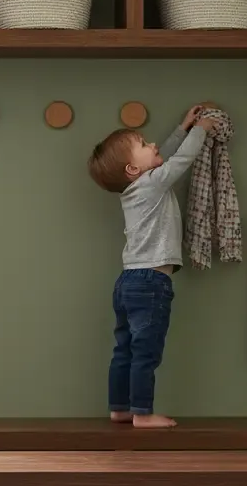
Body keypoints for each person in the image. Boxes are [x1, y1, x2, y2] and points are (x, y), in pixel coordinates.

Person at [87, 105, 214, 429]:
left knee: (125, 350)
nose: (153, 144)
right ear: (133, 168)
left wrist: (182, 128)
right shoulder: (152, 185)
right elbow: (180, 160)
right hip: (150, 283)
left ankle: (120, 408)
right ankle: (142, 413)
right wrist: (201, 129)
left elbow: (162, 158)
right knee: (146, 352)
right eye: (144, 144)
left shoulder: (138, 188)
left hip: (128, 282)